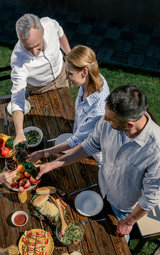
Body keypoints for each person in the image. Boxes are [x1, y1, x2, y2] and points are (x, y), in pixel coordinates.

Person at [35, 85, 160, 241]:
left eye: (109, 118)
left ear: (129, 124)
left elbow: (150, 199)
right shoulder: (109, 119)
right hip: (101, 186)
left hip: (123, 208)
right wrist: (52, 164)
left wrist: (129, 222)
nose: (104, 119)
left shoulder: (156, 151)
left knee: (116, 242)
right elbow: (88, 146)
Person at [29, 45, 109, 164]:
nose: (66, 77)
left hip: (93, 153)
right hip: (78, 136)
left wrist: (43, 153)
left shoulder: (98, 110)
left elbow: (76, 141)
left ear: (84, 72)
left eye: (70, 73)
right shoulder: (91, 80)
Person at [11, 13, 71, 147]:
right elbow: (17, 98)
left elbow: (60, 33)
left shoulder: (49, 24)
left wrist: (69, 54)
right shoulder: (18, 59)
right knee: (47, 124)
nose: (33, 52)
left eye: (37, 45)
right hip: (39, 89)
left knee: (66, 116)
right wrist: (19, 132)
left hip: (61, 75)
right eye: (28, 48)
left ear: (42, 31)